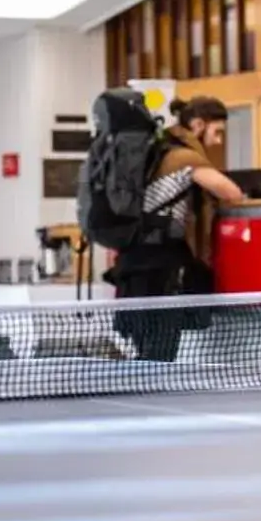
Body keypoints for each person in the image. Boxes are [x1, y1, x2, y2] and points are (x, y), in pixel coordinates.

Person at [104, 94, 244, 361]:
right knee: (159, 356)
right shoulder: (181, 156)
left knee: (144, 355)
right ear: (199, 125)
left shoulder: (156, 150)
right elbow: (231, 193)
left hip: (133, 266)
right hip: (160, 269)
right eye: (217, 132)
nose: (218, 141)